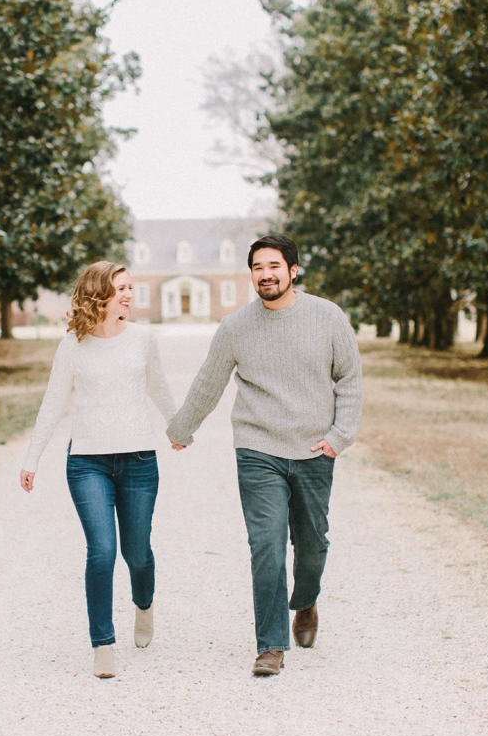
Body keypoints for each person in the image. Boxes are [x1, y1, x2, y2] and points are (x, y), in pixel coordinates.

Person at [166, 234, 361, 676]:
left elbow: (349, 379)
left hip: (314, 449)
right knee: (266, 546)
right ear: (251, 274)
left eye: (274, 266)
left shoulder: (328, 318)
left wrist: (339, 436)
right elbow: (208, 382)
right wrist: (182, 428)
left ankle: (306, 600)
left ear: (293, 270)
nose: (266, 274)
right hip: (258, 450)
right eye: (257, 267)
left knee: (311, 544)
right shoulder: (236, 327)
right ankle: (270, 645)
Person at [20, 261, 178, 679]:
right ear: (98, 293)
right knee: (102, 551)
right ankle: (103, 644)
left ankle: (143, 605)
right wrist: (32, 457)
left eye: (130, 288)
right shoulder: (73, 344)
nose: (128, 295)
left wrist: (178, 426)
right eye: (120, 288)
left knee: (137, 553)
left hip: (139, 460)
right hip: (87, 461)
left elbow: (158, 386)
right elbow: (53, 403)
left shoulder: (143, 339)